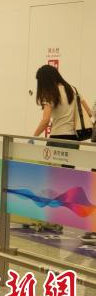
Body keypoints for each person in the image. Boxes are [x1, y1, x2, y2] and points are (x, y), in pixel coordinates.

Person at [32, 64, 94, 244]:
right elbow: (89, 112)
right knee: (67, 177)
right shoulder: (73, 89)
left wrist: (33, 136)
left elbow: (45, 120)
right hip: (73, 140)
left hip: (57, 139)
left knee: (52, 178)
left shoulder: (49, 93)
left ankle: (54, 219)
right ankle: (65, 217)